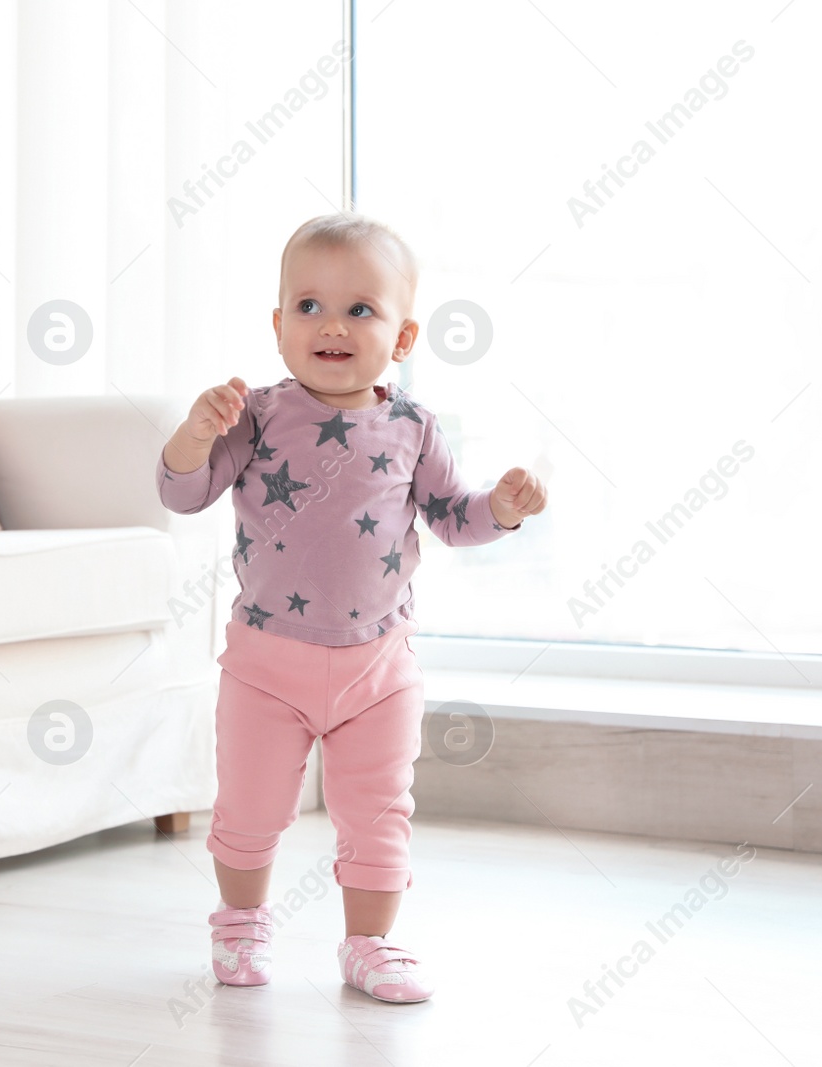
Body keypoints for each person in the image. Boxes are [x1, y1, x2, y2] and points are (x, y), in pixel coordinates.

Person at [154, 213, 547, 1003]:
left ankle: (370, 942)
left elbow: (450, 517)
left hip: (378, 667)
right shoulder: (256, 415)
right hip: (267, 664)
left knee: (378, 813)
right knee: (251, 806)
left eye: (359, 309)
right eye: (308, 306)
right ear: (277, 325)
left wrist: (500, 510)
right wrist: (194, 437)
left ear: (402, 338)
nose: (331, 324)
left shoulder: (412, 426)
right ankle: (240, 923)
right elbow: (182, 492)